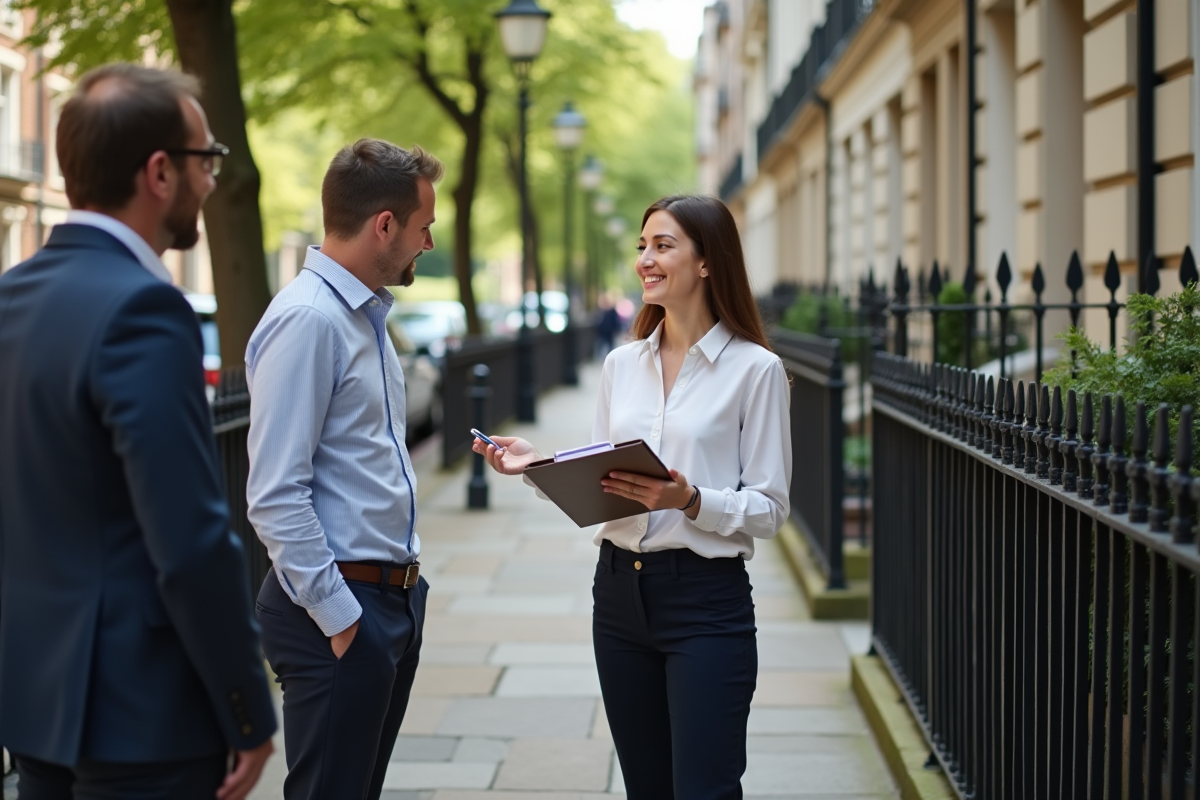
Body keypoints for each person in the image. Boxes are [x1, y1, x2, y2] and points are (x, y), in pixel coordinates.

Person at [0, 64, 276, 800]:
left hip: (34, 706)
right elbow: (188, 540)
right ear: (160, 172)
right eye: (206, 159)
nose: (213, 180)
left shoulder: (10, 298)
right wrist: (246, 708)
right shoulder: (145, 310)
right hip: (143, 718)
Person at [474, 194, 792, 799]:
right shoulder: (622, 365)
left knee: (705, 790)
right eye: (642, 246)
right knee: (647, 788)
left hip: (705, 604)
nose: (645, 259)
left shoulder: (756, 370)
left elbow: (771, 509)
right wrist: (541, 466)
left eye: (663, 245)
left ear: (706, 262)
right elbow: (607, 483)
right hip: (618, 597)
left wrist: (690, 499)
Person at [246, 138, 442, 800]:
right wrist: (342, 619)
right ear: (385, 224)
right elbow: (275, 494)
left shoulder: (361, 316)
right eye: (425, 228)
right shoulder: (308, 320)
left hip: (387, 601)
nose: (429, 244)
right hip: (338, 607)